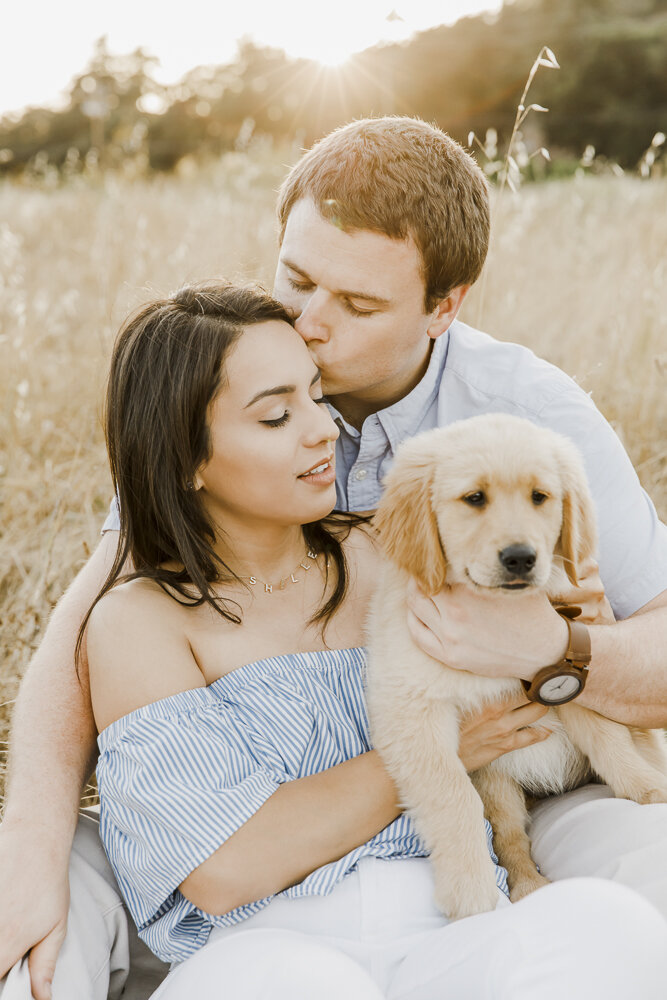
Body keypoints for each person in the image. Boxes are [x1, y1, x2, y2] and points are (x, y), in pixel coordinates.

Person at [1, 116, 667, 999]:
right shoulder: (217, 383)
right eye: (297, 279)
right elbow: (91, 630)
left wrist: (552, 652)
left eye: (355, 306)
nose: (310, 325)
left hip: (522, 784)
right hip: (280, 883)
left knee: (628, 904)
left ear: (444, 306)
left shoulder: (524, 413)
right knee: (60, 909)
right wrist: (28, 848)